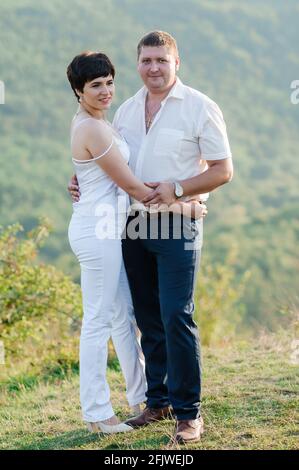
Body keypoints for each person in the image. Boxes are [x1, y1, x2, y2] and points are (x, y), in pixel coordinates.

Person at [68, 31, 232, 444]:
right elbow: (110, 160)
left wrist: (180, 193)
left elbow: (222, 169)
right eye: (146, 61)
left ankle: (188, 413)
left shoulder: (200, 107)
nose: (154, 68)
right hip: (129, 226)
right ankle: (156, 402)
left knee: (177, 314)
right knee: (147, 318)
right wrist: (80, 178)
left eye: (162, 60)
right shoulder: (123, 109)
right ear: (138, 64)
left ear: (178, 61)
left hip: (177, 225)